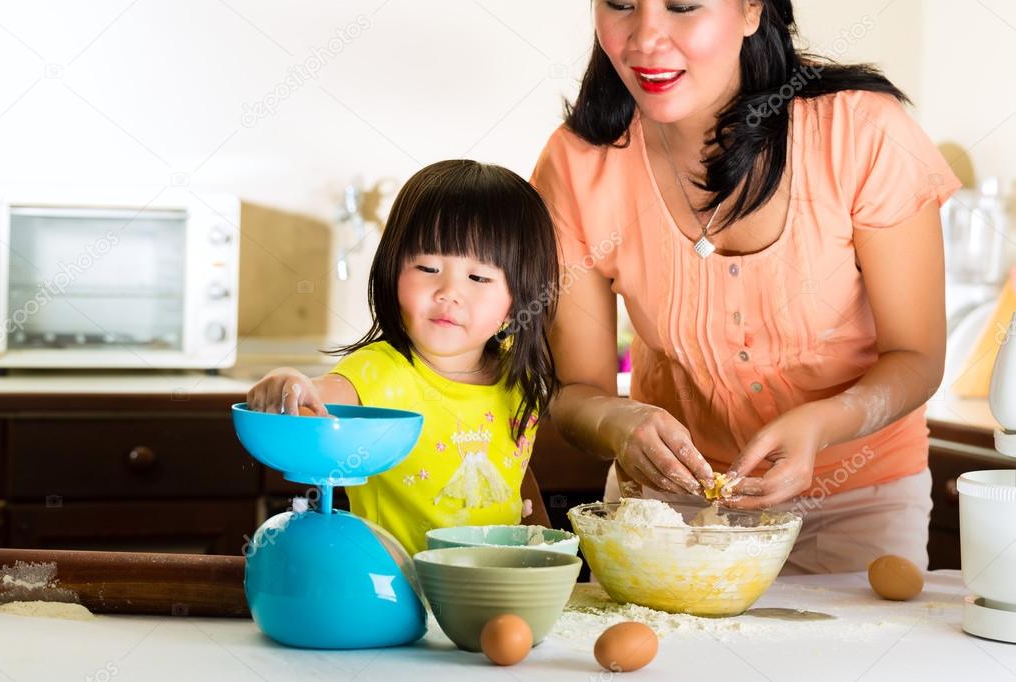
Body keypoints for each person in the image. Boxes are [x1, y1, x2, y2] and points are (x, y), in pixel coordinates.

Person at [531, 0, 960, 573]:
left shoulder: (862, 133)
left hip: (856, 501)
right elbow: (577, 390)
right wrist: (616, 423)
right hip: (669, 511)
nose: (646, 39)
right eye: (621, 5)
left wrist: (822, 425)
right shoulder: (578, 162)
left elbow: (917, 356)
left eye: (683, 6)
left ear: (752, 9)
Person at [247, 160, 559, 555]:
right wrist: (290, 383)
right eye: (428, 267)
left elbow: (515, 473)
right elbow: (317, 398)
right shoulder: (380, 370)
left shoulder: (518, 377)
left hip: (494, 592)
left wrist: (547, 557)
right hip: (401, 597)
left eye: (478, 278)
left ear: (520, 301)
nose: (448, 292)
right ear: (392, 272)